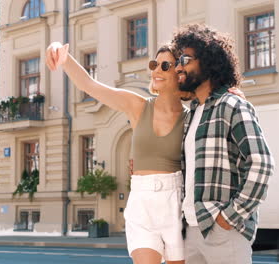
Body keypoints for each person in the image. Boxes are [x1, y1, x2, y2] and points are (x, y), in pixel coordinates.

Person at [45, 42, 243, 264]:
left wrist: (228, 93)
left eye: (165, 65)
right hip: (141, 202)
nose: (156, 70)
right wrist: (62, 56)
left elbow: (217, 129)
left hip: (176, 206)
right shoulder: (137, 106)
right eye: (154, 64)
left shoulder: (193, 117)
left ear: (180, 73)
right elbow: (90, 85)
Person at [172, 24, 275, 264]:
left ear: (208, 61)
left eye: (185, 59)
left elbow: (261, 163)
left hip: (222, 230)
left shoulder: (232, 105)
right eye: (178, 60)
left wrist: (230, 216)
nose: (179, 67)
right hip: (191, 230)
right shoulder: (191, 115)